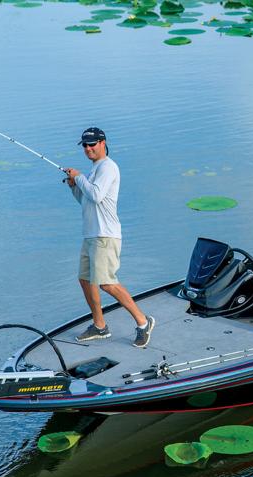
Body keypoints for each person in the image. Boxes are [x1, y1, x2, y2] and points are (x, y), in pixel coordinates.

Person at [64, 127, 155, 347]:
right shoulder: (95, 169)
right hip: (91, 235)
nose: (88, 149)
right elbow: (87, 201)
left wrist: (79, 177)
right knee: (85, 280)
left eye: (92, 144)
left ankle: (144, 323)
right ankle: (100, 326)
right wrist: (74, 187)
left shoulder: (108, 167)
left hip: (105, 236)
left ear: (103, 143)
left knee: (106, 283)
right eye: (84, 145)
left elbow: (96, 195)